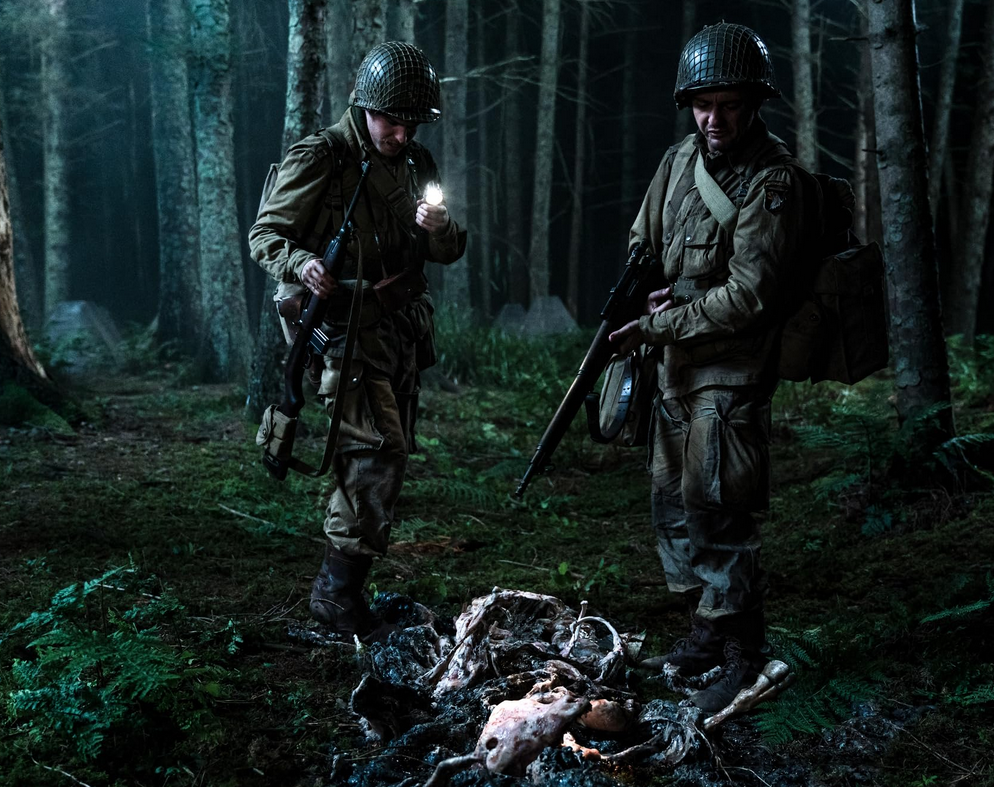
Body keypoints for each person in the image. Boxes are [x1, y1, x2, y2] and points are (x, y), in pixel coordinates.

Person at [609, 23, 810, 712]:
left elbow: (750, 295)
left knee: (719, 509)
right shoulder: (677, 162)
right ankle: (705, 630)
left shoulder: (773, 181)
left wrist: (659, 322)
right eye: (702, 104)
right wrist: (648, 289)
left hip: (730, 375)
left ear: (753, 104)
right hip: (676, 370)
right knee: (672, 501)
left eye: (727, 105)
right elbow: (645, 242)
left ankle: (744, 654)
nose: (713, 118)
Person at [249, 41, 466, 642]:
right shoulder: (323, 157)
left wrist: (441, 228)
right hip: (343, 330)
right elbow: (264, 234)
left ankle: (345, 586)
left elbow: (449, 249)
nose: (402, 133)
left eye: (412, 123)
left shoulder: (417, 163)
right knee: (376, 451)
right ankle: (336, 594)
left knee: (386, 453)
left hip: (400, 329)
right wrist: (301, 263)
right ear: (365, 107)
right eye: (391, 120)